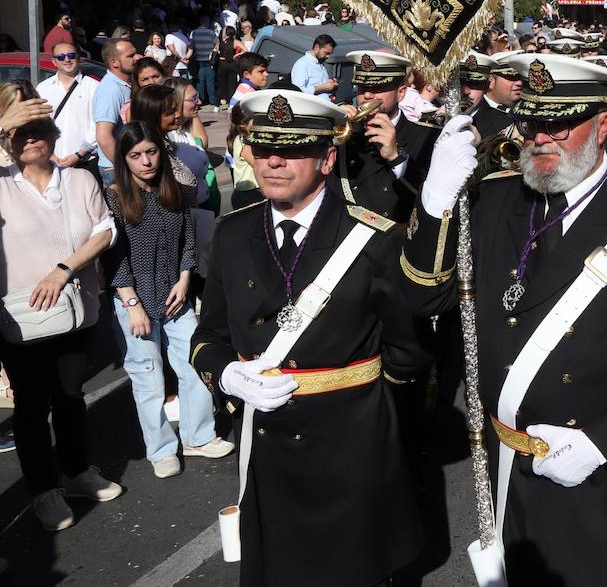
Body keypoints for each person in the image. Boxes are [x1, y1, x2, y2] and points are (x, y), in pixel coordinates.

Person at [402, 54, 607, 586]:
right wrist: (434, 206)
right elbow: (423, 300)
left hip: (603, 474)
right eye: (531, 122)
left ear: (606, 121)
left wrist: (603, 443)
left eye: (560, 123)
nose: (541, 138)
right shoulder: (496, 198)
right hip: (506, 463)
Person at [190, 90, 427, 586]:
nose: (274, 161)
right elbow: (209, 334)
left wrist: (382, 426)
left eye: (294, 149)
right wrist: (227, 375)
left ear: (327, 158)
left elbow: (408, 352)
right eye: (263, 147)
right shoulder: (232, 233)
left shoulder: (373, 237)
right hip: (264, 441)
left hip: (351, 445)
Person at [0, 82, 123, 532]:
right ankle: (43, 490)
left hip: (76, 306)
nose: (31, 136)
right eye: (20, 129)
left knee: (71, 396)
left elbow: (103, 231)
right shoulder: (2, 184)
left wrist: (62, 270)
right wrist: (3, 122)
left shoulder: (79, 178)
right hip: (19, 316)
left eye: (39, 127)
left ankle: (75, 472)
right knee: (31, 407)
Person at [105, 122, 230, 478]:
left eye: (151, 152)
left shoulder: (172, 189)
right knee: (148, 378)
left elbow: (188, 240)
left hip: (175, 294)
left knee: (195, 362)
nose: (145, 161)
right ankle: (160, 450)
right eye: (135, 155)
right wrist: (132, 305)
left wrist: (185, 278)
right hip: (134, 299)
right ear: (123, 159)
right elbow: (113, 258)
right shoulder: (113, 196)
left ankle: (198, 436)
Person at [335, 51, 438, 221]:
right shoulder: (343, 131)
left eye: (378, 88)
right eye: (362, 88)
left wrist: (396, 158)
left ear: (401, 93)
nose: (367, 95)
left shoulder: (428, 136)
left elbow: (433, 201)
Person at [36, 41, 99, 169]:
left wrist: (78, 155)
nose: (67, 60)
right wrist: (50, 155)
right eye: (61, 57)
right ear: (54, 61)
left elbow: (98, 125)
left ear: (78, 58)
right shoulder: (43, 88)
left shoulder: (93, 87)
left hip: (85, 162)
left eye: (71, 55)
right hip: (51, 162)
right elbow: (37, 124)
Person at [92, 39, 138, 184]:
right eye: (130, 56)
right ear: (114, 62)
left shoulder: (124, 84)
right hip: (116, 170)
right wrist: (125, 167)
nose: (137, 58)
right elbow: (103, 136)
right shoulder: (110, 90)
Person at [289, 34, 337, 99]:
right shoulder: (302, 64)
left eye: (330, 54)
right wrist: (322, 88)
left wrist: (331, 85)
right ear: (316, 47)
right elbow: (297, 91)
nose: (328, 57)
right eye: (326, 53)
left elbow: (321, 85)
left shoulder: (320, 64)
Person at [189, 16, 219, 112]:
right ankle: (212, 100)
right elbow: (217, 44)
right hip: (209, 60)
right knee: (210, 81)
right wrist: (214, 52)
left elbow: (191, 45)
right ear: (207, 22)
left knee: (200, 82)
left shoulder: (194, 32)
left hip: (199, 60)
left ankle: (200, 99)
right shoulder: (211, 32)